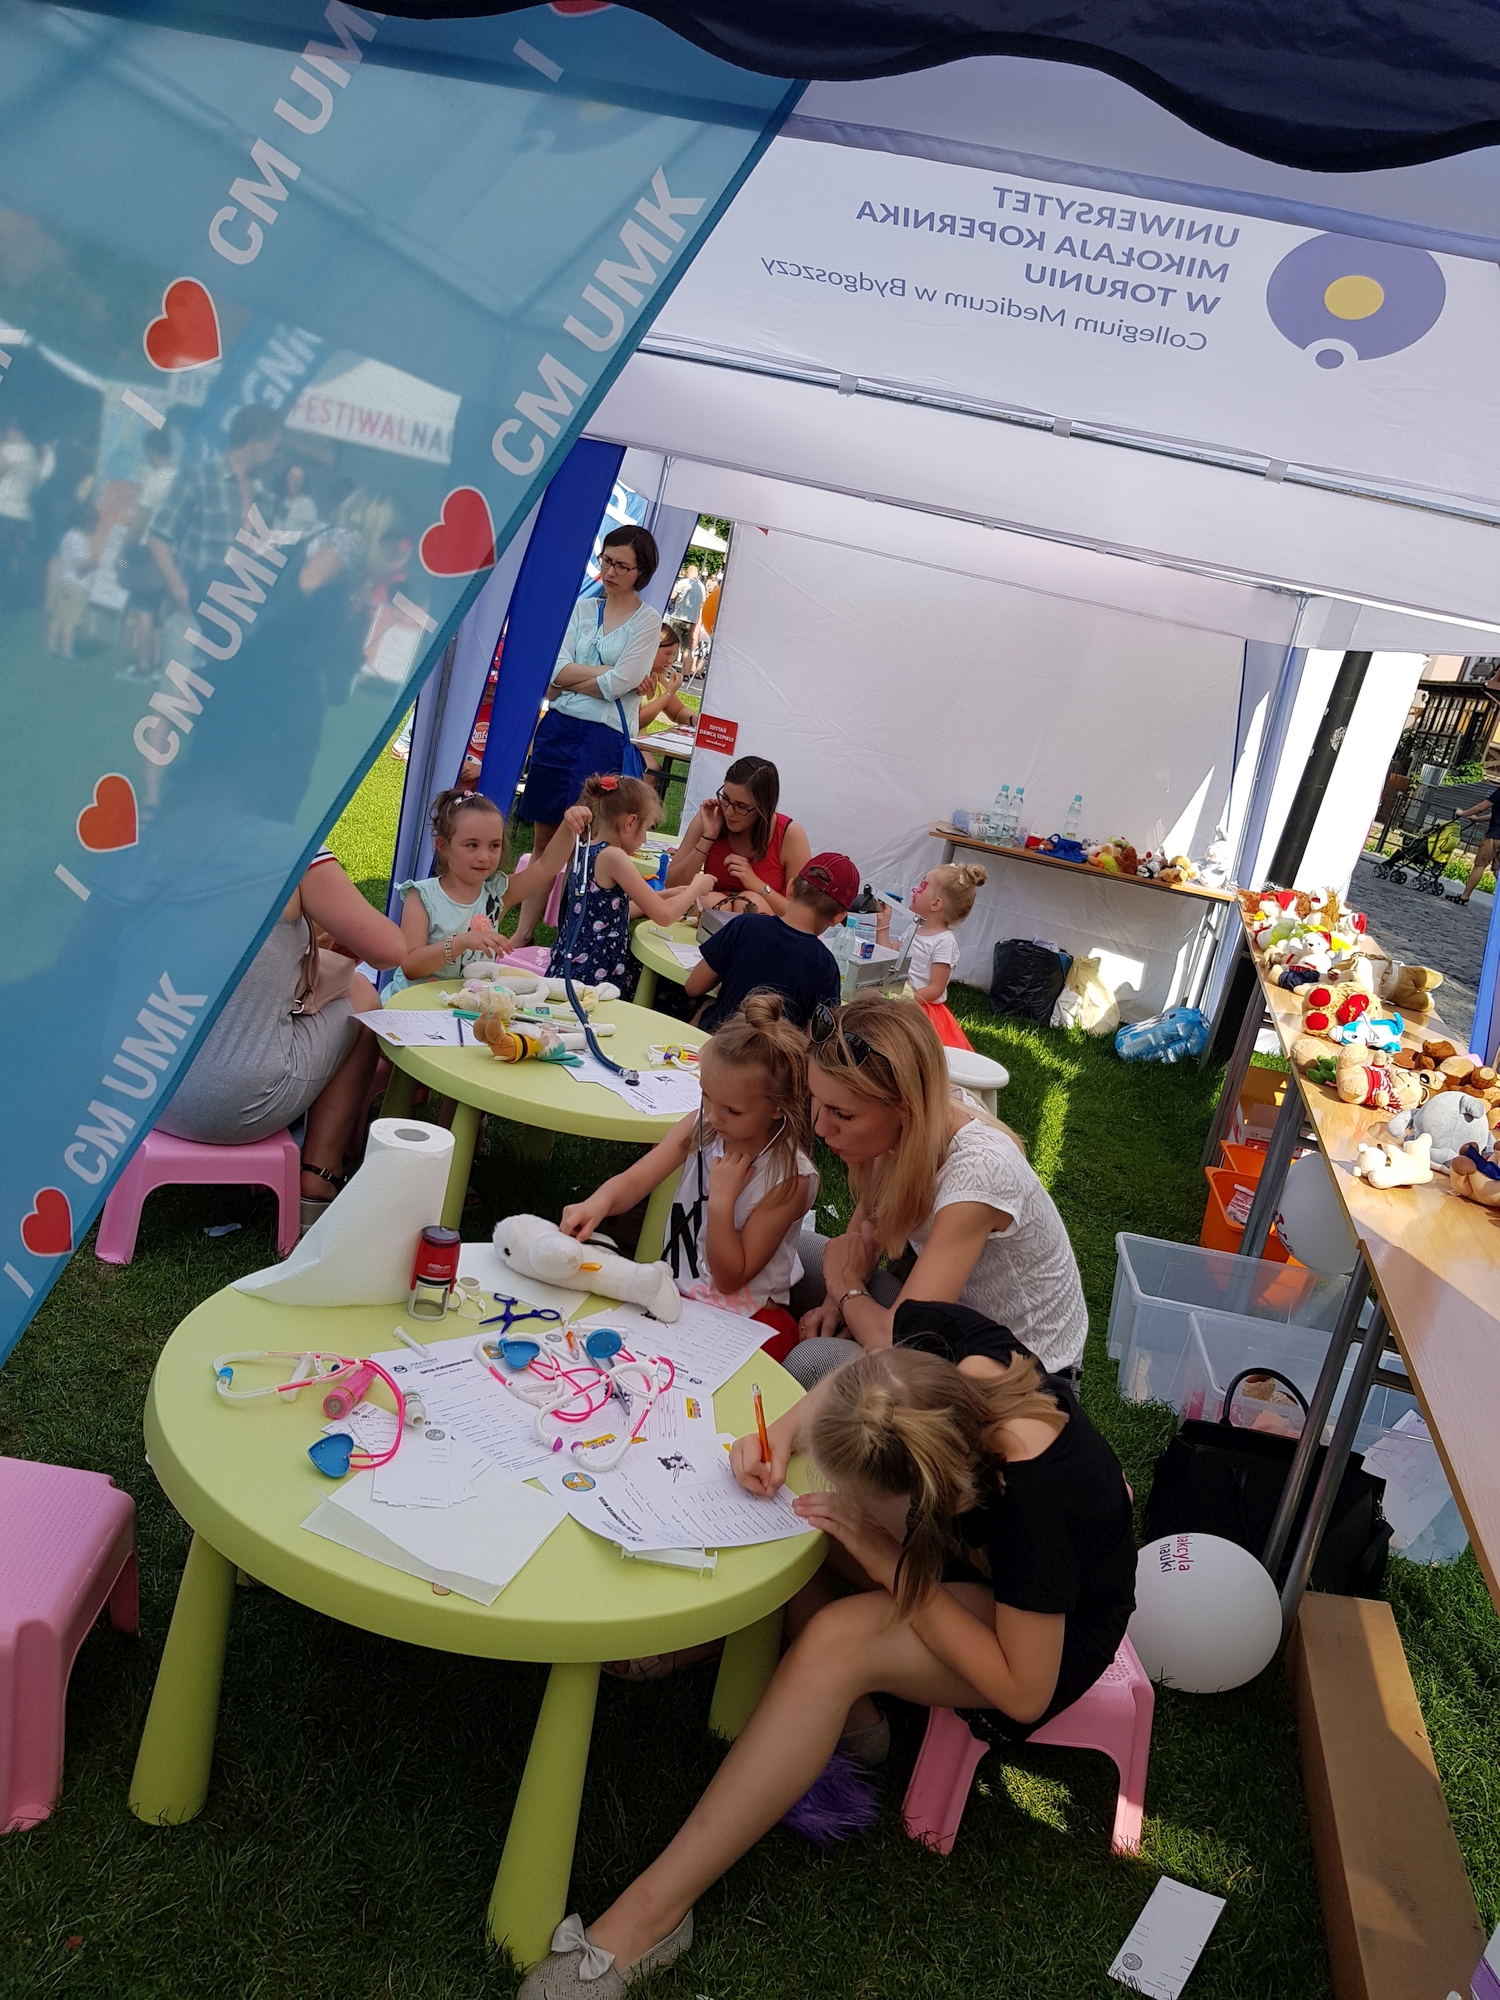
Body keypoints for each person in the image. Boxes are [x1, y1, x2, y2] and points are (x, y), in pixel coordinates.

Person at [516, 1325, 1134, 1999]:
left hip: (1044, 1640)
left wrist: (893, 1569)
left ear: (920, 1500)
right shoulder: (941, 1358)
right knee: (801, 1515)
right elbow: (860, 1374)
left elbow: (1023, 1690)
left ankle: (652, 1916)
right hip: (965, 1561)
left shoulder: (1038, 1499)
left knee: (838, 1639)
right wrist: (781, 1436)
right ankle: (852, 1719)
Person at [786, 995, 1088, 1387]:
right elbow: (868, 1226)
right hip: (951, 1319)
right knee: (794, 1250)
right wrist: (835, 1301)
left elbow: (890, 1343)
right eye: (818, 1102)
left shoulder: (979, 1175)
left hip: (1018, 1375)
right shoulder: (915, 1126)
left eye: (842, 1114)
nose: (821, 1128)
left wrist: (845, 1289)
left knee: (811, 1363)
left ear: (904, 1106)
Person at [156, 850, 408, 1225]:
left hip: (140, 1089)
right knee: (362, 995)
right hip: (237, 1105)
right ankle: (319, 1175)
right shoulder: (293, 852)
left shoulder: (148, 841)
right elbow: (390, 950)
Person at [560, 991, 817, 1353]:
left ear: (779, 1108)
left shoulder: (789, 1178)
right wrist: (597, 1204)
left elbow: (730, 1279)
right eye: (705, 1094)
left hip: (752, 1318)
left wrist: (722, 1202)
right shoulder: (703, 1127)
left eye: (732, 1110)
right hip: (679, 1295)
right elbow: (637, 1180)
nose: (712, 1115)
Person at [511, 525, 663, 946]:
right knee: (544, 835)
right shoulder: (582, 608)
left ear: (641, 571)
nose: (610, 571)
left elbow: (621, 682)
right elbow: (556, 670)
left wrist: (576, 682)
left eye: (621, 565)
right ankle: (524, 933)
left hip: (603, 737)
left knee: (587, 841)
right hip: (558, 730)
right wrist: (606, 676)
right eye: (606, 560)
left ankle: (571, 937)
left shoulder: (648, 620)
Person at [388, 789, 591, 993]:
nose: (484, 857)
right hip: (413, 1003)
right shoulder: (422, 897)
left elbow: (546, 866)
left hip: (465, 1003)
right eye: (472, 845)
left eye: (494, 845)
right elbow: (410, 966)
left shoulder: (497, 894)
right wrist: (462, 942)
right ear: (443, 846)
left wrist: (568, 826)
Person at [549, 774, 714, 995]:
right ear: (630, 823)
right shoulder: (615, 857)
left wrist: (665, 895)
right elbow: (664, 916)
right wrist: (696, 886)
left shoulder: (589, 847)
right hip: (593, 972)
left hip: (571, 964)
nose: (645, 838)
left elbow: (608, 915)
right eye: (646, 828)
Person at [147, 404, 283, 654]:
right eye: (272, 447)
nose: (275, 454)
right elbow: (159, 537)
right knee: (181, 681)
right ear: (254, 442)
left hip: (237, 625)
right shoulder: (199, 478)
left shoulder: (263, 496)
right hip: (193, 615)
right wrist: (178, 590)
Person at [684, 852, 852, 1031]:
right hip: (776, 1049)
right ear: (838, 917)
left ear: (790, 888)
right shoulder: (825, 965)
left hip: (722, 1040)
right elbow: (817, 1037)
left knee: (707, 1006)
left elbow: (693, 986)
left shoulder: (745, 925)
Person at [665, 756, 812, 917]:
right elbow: (671, 885)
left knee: (749, 903)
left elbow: (803, 915)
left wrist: (757, 885)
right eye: (725, 799)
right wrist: (707, 838)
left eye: (741, 806)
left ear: (763, 808)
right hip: (712, 914)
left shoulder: (789, 835)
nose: (729, 812)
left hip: (763, 921)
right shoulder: (712, 817)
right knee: (713, 902)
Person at [906, 862, 987, 1050]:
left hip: (923, 1011)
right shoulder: (914, 928)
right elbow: (890, 955)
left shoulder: (944, 942)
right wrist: (883, 924)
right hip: (905, 1002)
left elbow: (936, 988)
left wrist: (908, 999)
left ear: (936, 904)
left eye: (922, 886)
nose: (914, 889)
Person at [0, 420, 55, 611]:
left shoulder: (11, 451)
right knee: (8, 557)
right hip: (23, 515)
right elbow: (43, 475)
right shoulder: (33, 453)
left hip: (4, 512)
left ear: (16, 431)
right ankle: (8, 598)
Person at [637, 620, 694, 798]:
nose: (670, 661)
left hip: (641, 744)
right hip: (626, 741)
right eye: (667, 653)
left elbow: (677, 712)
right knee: (652, 770)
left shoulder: (658, 679)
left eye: (674, 655)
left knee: (656, 771)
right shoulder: (637, 677)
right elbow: (638, 720)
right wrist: (668, 694)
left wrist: (695, 719)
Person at [46, 502, 96, 658]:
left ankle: (51, 646)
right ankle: (66, 652)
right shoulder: (80, 539)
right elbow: (79, 565)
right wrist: (93, 563)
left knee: (58, 617)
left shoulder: (67, 536)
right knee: (71, 621)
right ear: (87, 522)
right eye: (94, 523)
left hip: (64, 582)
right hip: (77, 586)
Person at [1456, 785, 1500, 905]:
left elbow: (1481, 807)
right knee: (1497, 869)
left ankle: (1465, 896)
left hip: (1494, 836)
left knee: (1480, 865)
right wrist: (1478, 819)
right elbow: (1495, 814)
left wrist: (1463, 813)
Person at [273, 461, 319, 539]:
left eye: (299, 479)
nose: (295, 481)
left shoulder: (307, 504)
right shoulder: (279, 500)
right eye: (292, 477)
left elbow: (313, 531)